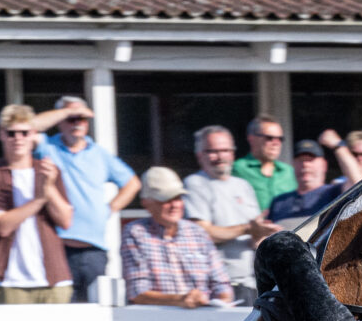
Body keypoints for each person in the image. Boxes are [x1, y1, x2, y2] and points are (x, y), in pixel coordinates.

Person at [39, 96, 138, 303]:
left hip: (95, 250)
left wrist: (109, 209)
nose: (77, 123)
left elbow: (133, 184)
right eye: (71, 118)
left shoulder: (100, 154)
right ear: (60, 121)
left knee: (95, 312)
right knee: (62, 312)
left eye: (82, 118)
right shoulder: (48, 147)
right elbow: (29, 127)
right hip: (58, 248)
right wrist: (67, 111)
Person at [0, 103, 75, 304]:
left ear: (33, 134)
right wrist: (39, 199)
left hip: (54, 278)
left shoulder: (48, 170)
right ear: (1, 135)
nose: (18, 139)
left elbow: (65, 220)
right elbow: (2, 226)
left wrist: (48, 188)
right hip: (12, 280)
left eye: (24, 133)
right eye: (11, 133)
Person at [183, 124, 274, 304]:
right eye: (212, 151)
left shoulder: (243, 186)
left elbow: (253, 235)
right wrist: (248, 228)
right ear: (199, 155)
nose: (220, 157)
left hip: (251, 283)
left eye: (225, 150)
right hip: (217, 287)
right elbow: (202, 233)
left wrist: (264, 233)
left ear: (232, 153)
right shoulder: (195, 183)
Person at [122, 167, 234, 307]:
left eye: (178, 198)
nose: (174, 205)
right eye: (165, 200)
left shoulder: (198, 233)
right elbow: (138, 292)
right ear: (146, 203)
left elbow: (222, 285)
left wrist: (221, 301)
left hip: (205, 318)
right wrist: (180, 300)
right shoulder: (136, 233)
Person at [233, 117, 297, 218]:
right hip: (251, 231)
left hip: (287, 230)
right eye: (269, 138)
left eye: (280, 139)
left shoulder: (289, 171)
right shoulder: (237, 169)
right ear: (251, 139)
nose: (276, 143)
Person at [270, 139, 347, 222]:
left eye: (310, 160)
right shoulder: (279, 201)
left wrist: (338, 146)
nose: (305, 164)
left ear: (324, 164)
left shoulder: (336, 193)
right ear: (293, 164)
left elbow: (359, 185)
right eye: (300, 160)